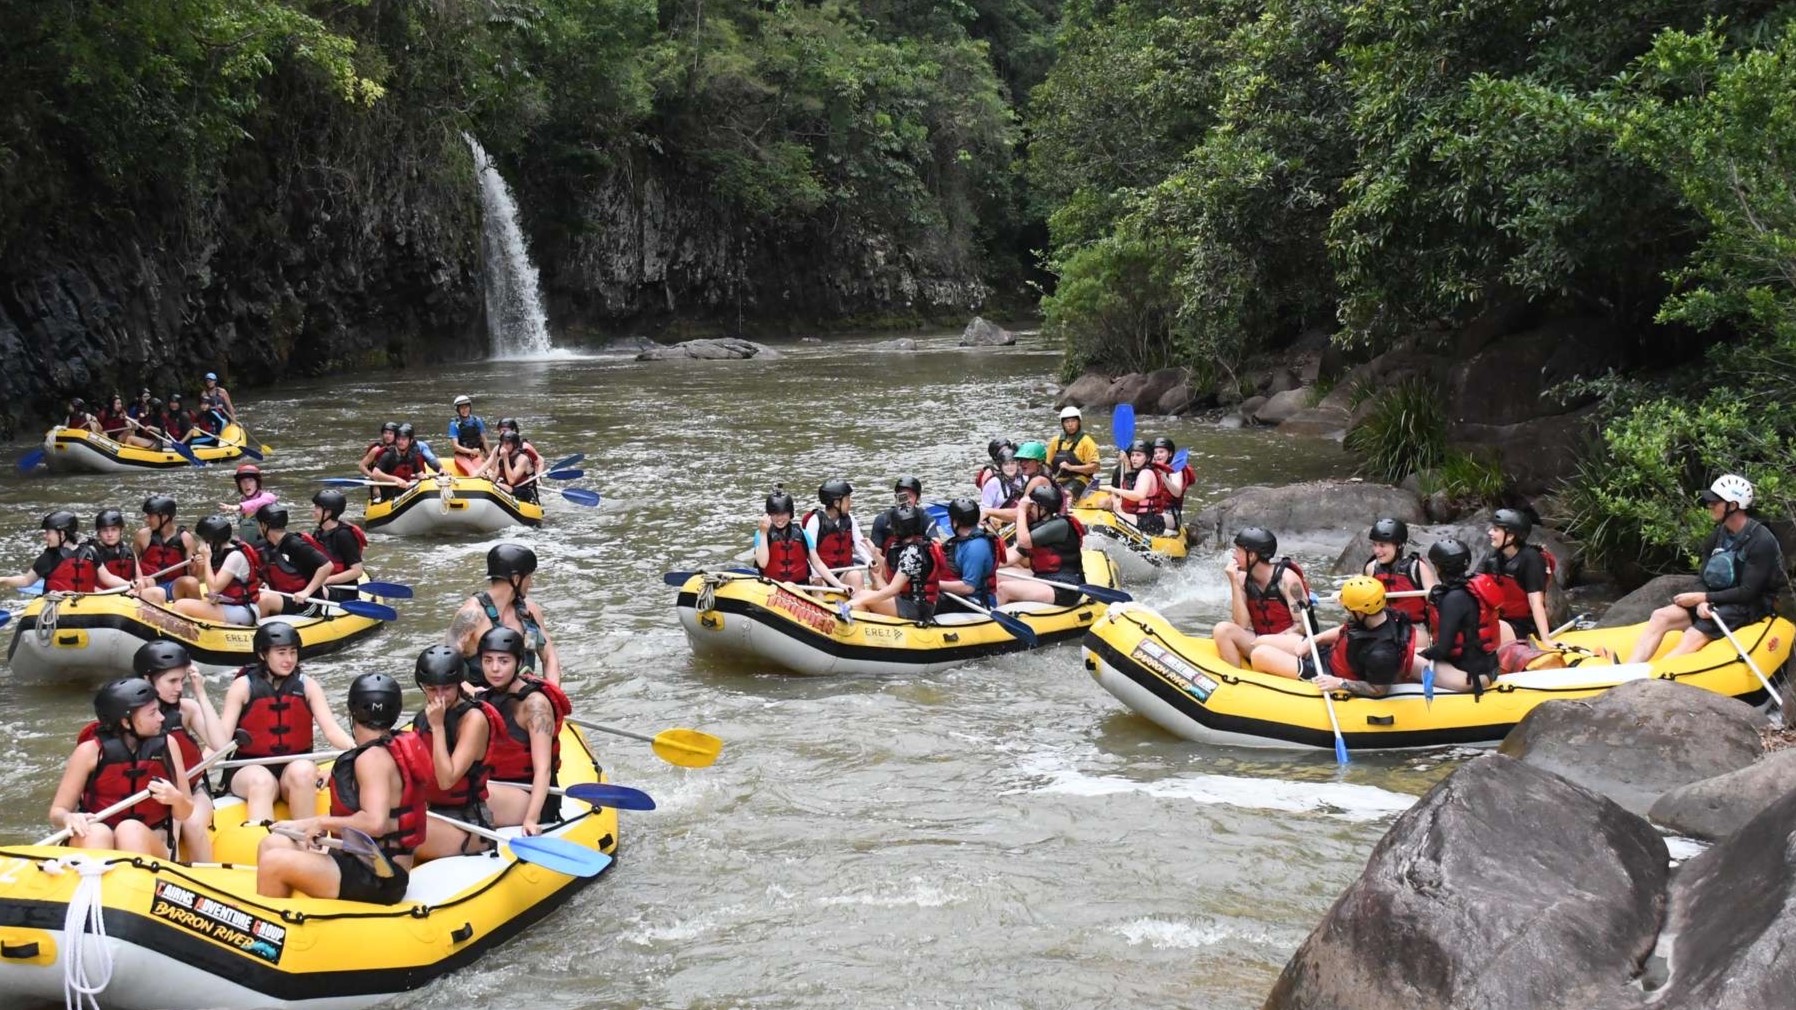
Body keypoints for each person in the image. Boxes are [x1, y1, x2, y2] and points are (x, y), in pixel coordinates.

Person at [257, 673, 428, 904]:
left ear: (353, 713)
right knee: (273, 842)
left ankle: (270, 935)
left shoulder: (371, 759)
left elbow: (375, 824)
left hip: (380, 876)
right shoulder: (389, 747)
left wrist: (321, 823)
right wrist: (301, 824)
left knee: (273, 862)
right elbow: (359, 814)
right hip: (363, 859)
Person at [1626, 474, 1787, 663]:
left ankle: (1653, 679)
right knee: (1661, 616)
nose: (1709, 505)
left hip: (1750, 604)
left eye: (1715, 501)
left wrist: (1704, 598)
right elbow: (1703, 578)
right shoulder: (1718, 535)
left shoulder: (1761, 541)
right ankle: (1628, 672)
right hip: (1717, 598)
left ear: (1733, 505)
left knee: (1693, 634)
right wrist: (1701, 601)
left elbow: (1748, 592)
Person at [215, 622, 355, 826]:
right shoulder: (242, 687)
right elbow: (221, 738)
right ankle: (263, 843)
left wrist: (358, 751)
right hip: (248, 769)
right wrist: (194, 768)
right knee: (261, 781)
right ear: (263, 655)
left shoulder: (307, 686)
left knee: (304, 771)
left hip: (292, 769)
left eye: (293, 652)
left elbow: (332, 730)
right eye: (281, 653)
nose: (289, 659)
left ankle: (307, 841)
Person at [47, 679, 193, 858]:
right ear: (125, 722)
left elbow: (186, 811)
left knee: (129, 830)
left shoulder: (168, 745)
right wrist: (68, 818)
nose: (162, 718)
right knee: (96, 833)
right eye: (152, 713)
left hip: (150, 837)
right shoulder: (89, 751)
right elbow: (57, 812)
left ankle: (138, 882)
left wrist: (176, 799)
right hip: (98, 836)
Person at [1247, 577, 1422, 697]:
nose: (1346, 611)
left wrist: (1340, 683)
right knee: (1260, 641)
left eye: (1348, 608)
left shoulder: (1382, 653)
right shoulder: (1378, 615)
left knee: (1259, 654)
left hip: (1328, 673)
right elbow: (1345, 630)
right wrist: (1314, 640)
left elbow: (1378, 689)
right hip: (1329, 654)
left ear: (1360, 611)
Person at [472, 627, 570, 836]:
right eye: (488, 660)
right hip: (498, 785)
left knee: (468, 794)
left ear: (518, 662)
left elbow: (543, 769)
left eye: (503, 661)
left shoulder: (535, 705)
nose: (494, 668)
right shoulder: (485, 696)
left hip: (532, 796)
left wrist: (531, 819)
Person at [409, 645, 503, 859]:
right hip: (435, 812)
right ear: (423, 686)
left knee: (398, 832)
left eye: (447, 688)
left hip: (468, 822)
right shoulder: (423, 718)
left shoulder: (473, 720)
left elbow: (446, 780)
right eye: (432, 689)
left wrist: (438, 727)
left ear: (459, 684)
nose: (440, 697)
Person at [134, 639, 223, 862]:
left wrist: (200, 693)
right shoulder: (130, 720)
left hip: (193, 792)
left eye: (182, 680)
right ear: (147, 679)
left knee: (191, 824)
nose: (178, 688)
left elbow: (220, 744)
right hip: (155, 798)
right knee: (161, 834)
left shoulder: (187, 710)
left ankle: (208, 881)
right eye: (172, 681)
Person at [446, 544, 563, 686]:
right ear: (516, 579)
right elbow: (447, 666)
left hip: (521, 695)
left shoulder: (529, 609)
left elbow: (550, 658)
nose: (530, 584)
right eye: (528, 578)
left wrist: (553, 696)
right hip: (481, 699)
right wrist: (473, 694)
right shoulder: (472, 614)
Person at [1212, 527, 1312, 667]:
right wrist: (1234, 582)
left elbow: (1302, 627)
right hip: (1260, 641)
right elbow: (1242, 624)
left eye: (1238, 551)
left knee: (1262, 644)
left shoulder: (1288, 580)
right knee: (1222, 629)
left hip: (1291, 645)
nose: (1234, 556)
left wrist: (1269, 641)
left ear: (1252, 555)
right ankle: (1234, 678)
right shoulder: (1242, 579)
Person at [1419, 539, 1501, 694]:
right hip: (1489, 665)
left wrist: (1424, 654)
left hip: (1468, 674)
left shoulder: (1453, 599)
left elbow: (1443, 649)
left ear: (1439, 567)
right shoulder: (1473, 588)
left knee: (1409, 659)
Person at [849, 504, 946, 620]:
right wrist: (874, 552)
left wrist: (859, 601)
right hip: (913, 602)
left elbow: (893, 589)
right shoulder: (916, 546)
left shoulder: (912, 552)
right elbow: (888, 569)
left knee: (862, 596)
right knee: (864, 595)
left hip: (916, 608)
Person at [995, 484, 1087, 606]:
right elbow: (1012, 556)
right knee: (996, 574)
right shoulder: (1038, 526)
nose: (1029, 509)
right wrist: (986, 566)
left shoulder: (1060, 525)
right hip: (1044, 577)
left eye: (1032, 506)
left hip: (1065, 587)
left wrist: (1021, 510)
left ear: (1043, 509)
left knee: (1003, 588)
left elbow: (1024, 541)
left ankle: (992, 619)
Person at [1477, 508, 1557, 646]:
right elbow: (1474, 584)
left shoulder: (1531, 559)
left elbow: (1535, 602)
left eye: (1496, 530)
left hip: (1524, 626)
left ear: (1510, 536)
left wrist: (1546, 639)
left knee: (1489, 629)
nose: (1490, 533)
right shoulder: (1493, 555)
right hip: (1499, 619)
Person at [171, 514, 263, 625]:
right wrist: (202, 564)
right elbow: (200, 579)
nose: (202, 543)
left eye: (204, 540)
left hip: (242, 611)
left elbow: (213, 589)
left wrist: (207, 559)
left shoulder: (235, 556)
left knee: (180, 606)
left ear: (213, 541)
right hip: (227, 605)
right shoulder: (218, 553)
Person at [253, 505, 334, 617]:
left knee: (264, 600)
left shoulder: (295, 544)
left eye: (259, 524)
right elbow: (261, 575)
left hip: (304, 602)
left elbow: (327, 566)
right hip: (283, 597)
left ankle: (253, 631)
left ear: (264, 525)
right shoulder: (263, 547)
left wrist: (306, 592)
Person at [1, 511, 100, 594]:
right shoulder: (47, 558)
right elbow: (26, 581)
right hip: (57, 606)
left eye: (48, 533)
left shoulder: (90, 553)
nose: (45, 536)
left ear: (61, 534)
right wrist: (4, 579)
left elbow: (108, 578)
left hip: (85, 606)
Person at [1362, 518, 1435, 623]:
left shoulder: (1417, 568)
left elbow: (1435, 602)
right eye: (1375, 544)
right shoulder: (1371, 568)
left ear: (1400, 545)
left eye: (1382, 545)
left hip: (1414, 626)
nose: (1377, 551)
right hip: (1383, 628)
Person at [134, 494, 204, 604]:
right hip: (148, 585)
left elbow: (195, 575)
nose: (147, 520)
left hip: (173, 587)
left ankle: (196, 614)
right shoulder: (143, 535)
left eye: (151, 516)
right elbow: (132, 564)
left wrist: (200, 565)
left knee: (191, 582)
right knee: (147, 581)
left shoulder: (185, 539)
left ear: (165, 517)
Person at [939, 498, 1003, 610]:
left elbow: (968, 587)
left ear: (955, 522)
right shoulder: (962, 541)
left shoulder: (976, 546)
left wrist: (934, 584)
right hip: (959, 597)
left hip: (976, 602)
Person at [802, 480, 866, 591]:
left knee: (856, 575)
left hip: (843, 573)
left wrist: (869, 561)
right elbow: (810, 556)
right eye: (848, 500)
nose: (851, 503)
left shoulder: (850, 519)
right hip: (821, 575)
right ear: (836, 503)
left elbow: (860, 545)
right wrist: (816, 575)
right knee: (818, 586)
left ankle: (858, 602)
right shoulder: (815, 521)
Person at [1101, 439, 1176, 535]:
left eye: (1138, 455)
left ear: (1148, 458)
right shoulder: (1142, 471)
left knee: (1110, 518)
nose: (1134, 458)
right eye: (1132, 455)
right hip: (1143, 517)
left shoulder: (1146, 473)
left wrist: (1112, 489)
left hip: (1150, 521)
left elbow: (1139, 495)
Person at [755, 487, 827, 585]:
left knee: (817, 586)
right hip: (772, 586)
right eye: (775, 514)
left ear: (790, 514)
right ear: (769, 515)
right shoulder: (761, 534)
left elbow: (817, 563)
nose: (779, 518)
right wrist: (763, 533)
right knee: (789, 585)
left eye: (784, 513)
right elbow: (762, 564)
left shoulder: (802, 533)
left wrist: (840, 585)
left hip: (801, 587)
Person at [311, 490, 367, 598]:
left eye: (317, 507)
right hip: (326, 585)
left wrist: (325, 580)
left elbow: (357, 571)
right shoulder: (319, 532)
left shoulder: (344, 535)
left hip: (343, 591)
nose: (313, 510)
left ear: (328, 512)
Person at [370, 423, 440, 501]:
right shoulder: (388, 455)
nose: (400, 442)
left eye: (404, 439)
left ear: (410, 441)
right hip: (389, 497)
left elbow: (420, 475)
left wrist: (435, 480)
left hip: (405, 494)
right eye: (398, 439)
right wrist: (396, 479)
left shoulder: (412, 457)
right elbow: (375, 473)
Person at [1045, 406, 1100, 501]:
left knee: (1066, 494)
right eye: (1067, 422)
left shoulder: (1087, 441)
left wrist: (1071, 468)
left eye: (1073, 421)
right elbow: (1047, 464)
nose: (1070, 425)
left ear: (1079, 422)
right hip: (1059, 480)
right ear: (1062, 424)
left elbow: (1095, 467)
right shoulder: (1055, 441)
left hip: (1081, 479)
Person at [219, 463, 277, 545]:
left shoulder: (268, 497)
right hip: (247, 546)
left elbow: (256, 504)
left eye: (250, 480)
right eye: (243, 481)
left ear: (257, 483)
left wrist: (239, 507)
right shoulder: (243, 500)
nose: (247, 484)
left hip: (265, 546)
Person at [869, 476, 926, 556]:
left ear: (918, 498)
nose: (906, 500)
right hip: (889, 563)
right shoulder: (882, 520)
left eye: (910, 496)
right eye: (903, 496)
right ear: (896, 498)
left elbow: (935, 542)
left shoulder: (924, 517)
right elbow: (876, 553)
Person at [87, 508, 140, 588]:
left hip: (128, 592)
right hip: (101, 596)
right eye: (105, 530)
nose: (109, 534)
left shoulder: (129, 551)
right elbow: (88, 586)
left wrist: (138, 584)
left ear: (121, 531)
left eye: (114, 530)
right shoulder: (90, 553)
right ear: (99, 533)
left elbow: (139, 578)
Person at [1150, 438, 1194, 524]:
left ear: (1170, 454)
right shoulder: (1151, 470)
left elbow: (1177, 492)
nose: (1158, 455)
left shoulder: (1175, 470)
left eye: (1161, 452)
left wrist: (1164, 477)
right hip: (1153, 512)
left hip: (1171, 515)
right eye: (1155, 453)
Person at [485, 430, 537, 501]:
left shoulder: (523, 459)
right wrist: (486, 476)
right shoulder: (501, 459)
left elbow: (511, 481)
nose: (504, 446)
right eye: (502, 443)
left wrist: (506, 459)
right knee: (494, 485)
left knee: (499, 486)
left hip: (525, 491)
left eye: (507, 444)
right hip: (510, 488)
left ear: (515, 445)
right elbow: (493, 480)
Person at [448, 395, 490, 476]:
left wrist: (489, 455)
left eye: (466, 407)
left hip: (476, 455)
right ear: (458, 410)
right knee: (474, 473)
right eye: (462, 408)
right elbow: (455, 446)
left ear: (470, 407)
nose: (465, 410)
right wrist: (471, 451)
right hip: (461, 456)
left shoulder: (477, 421)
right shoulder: (454, 424)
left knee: (487, 472)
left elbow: (484, 439)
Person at [978, 445, 1027, 514]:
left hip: (1019, 516)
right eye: (1006, 464)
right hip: (997, 520)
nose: (1010, 467)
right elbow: (984, 508)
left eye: (1012, 463)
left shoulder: (1024, 478)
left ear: (1017, 465)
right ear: (1001, 466)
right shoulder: (993, 483)